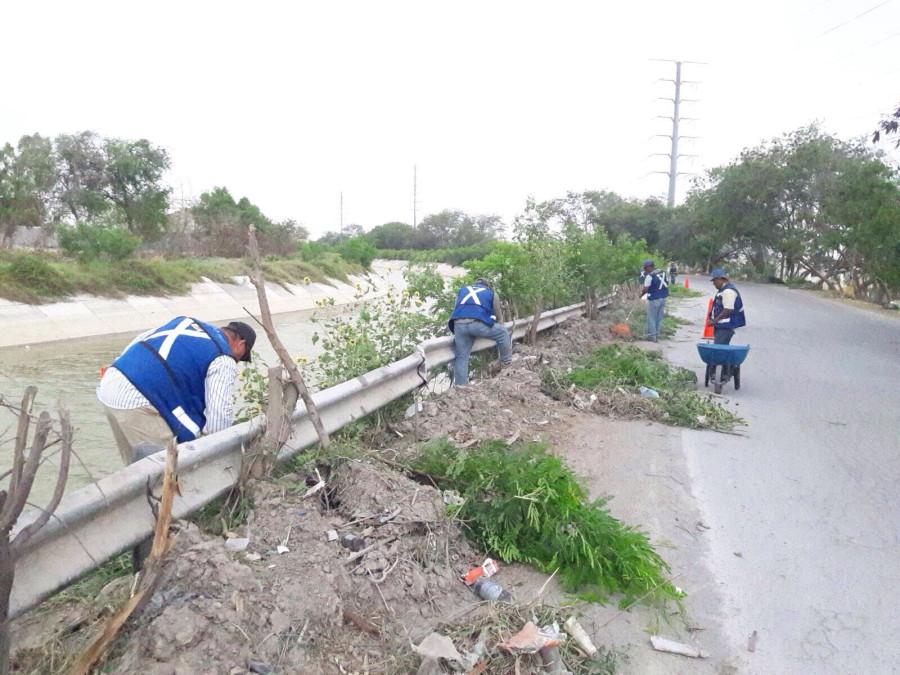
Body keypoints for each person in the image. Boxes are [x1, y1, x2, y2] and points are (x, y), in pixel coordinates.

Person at [97, 317, 256, 464]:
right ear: (241, 345)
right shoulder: (223, 357)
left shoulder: (185, 321)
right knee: (162, 474)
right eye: (241, 358)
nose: (237, 361)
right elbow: (219, 414)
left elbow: (138, 342)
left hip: (110, 385)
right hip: (138, 400)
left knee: (133, 469)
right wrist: (220, 456)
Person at [448, 278, 512, 386]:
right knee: (503, 332)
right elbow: (499, 318)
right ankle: (506, 362)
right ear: (486, 286)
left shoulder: (462, 290)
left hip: (458, 325)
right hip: (476, 324)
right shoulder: (491, 294)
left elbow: (457, 308)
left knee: (461, 358)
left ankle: (460, 388)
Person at [706, 269, 746, 382]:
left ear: (720, 279)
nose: (713, 284)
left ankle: (724, 370)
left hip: (726, 326)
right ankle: (721, 370)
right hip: (722, 325)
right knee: (720, 347)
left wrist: (714, 320)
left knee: (719, 348)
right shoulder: (723, 291)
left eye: (714, 281)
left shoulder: (728, 291)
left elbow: (727, 310)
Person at [639, 259, 668, 342]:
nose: (645, 270)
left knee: (651, 317)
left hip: (654, 298)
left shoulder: (649, 276)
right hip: (663, 297)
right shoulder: (662, 272)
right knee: (659, 317)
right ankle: (657, 334)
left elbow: (645, 288)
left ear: (649, 267)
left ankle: (652, 336)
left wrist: (641, 295)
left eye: (645, 268)